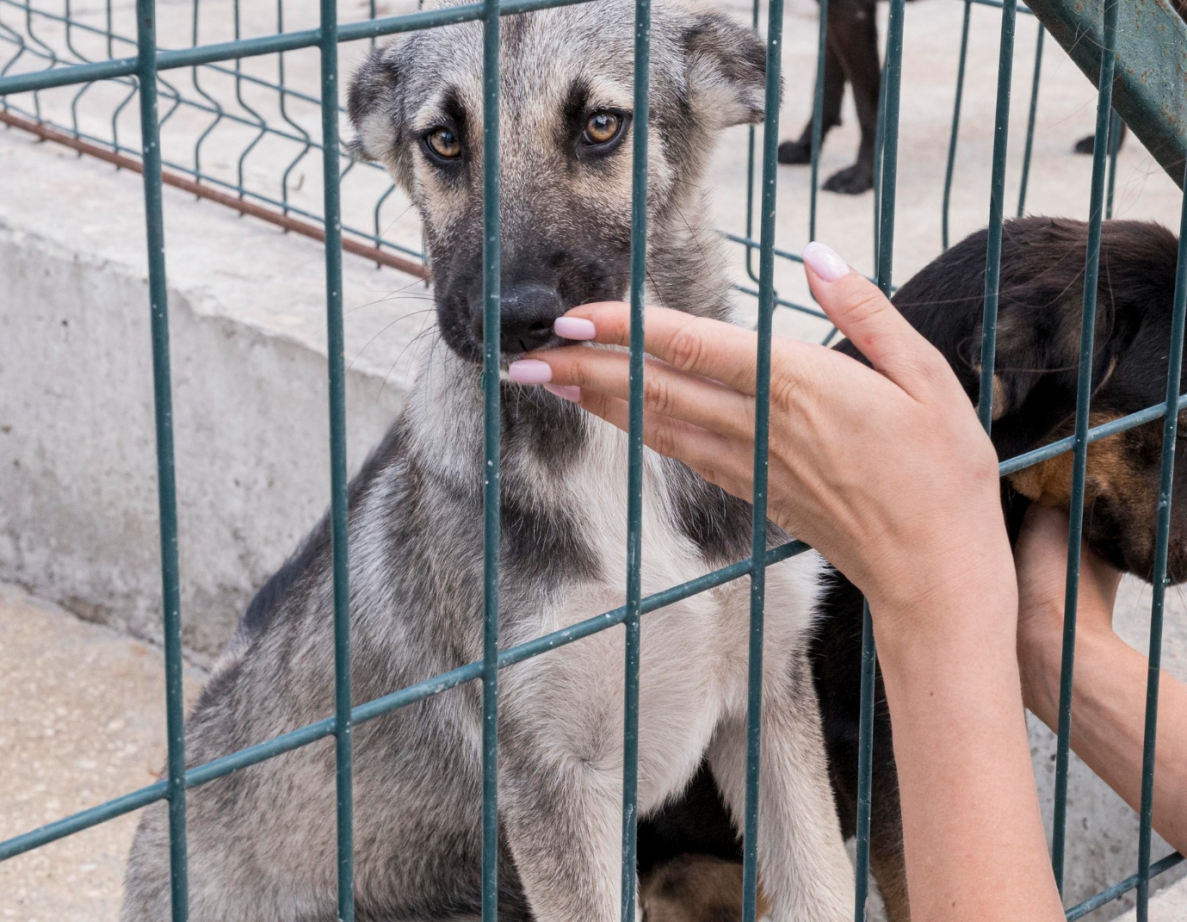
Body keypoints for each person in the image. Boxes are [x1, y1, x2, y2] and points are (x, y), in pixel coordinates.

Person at [506, 241, 1187, 921]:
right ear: (1012, 370)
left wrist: (1032, 630)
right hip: (642, 849)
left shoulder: (1014, 441)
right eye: (1175, 432)